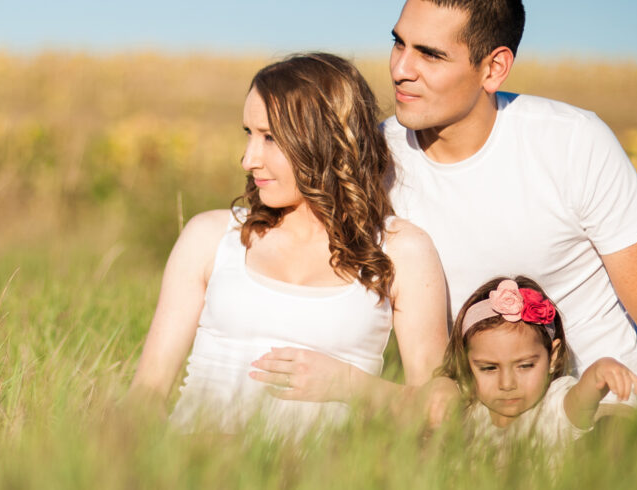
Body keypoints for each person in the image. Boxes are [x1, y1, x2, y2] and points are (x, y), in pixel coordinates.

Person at [254, 0, 637, 430]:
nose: (400, 69)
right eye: (399, 43)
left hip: (601, 409)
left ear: (493, 68)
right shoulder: (373, 159)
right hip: (473, 416)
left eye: (430, 54)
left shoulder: (574, 142)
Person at [127, 53, 448, 438]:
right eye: (248, 133)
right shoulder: (210, 237)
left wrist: (349, 384)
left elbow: (440, 409)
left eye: (270, 137)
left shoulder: (401, 250)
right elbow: (145, 396)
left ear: (327, 138)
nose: (248, 159)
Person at [438, 276, 637, 452]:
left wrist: (600, 371)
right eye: (489, 368)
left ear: (552, 357)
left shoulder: (555, 406)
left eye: (525, 366)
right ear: (466, 363)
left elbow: (581, 399)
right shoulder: (469, 410)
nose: (507, 384)